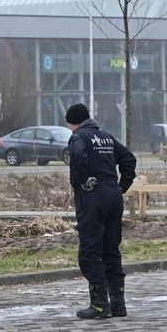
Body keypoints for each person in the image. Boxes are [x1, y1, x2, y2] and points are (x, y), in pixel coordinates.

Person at [65, 102, 137, 319]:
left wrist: (82, 180)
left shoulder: (78, 137)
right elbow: (129, 159)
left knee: (89, 253)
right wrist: (121, 186)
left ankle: (99, 306)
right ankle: (118, 305)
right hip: (113, 196)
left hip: (93, 197)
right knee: (111, 251)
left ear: (72, 123)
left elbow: (78, 156)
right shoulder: (106, 136)